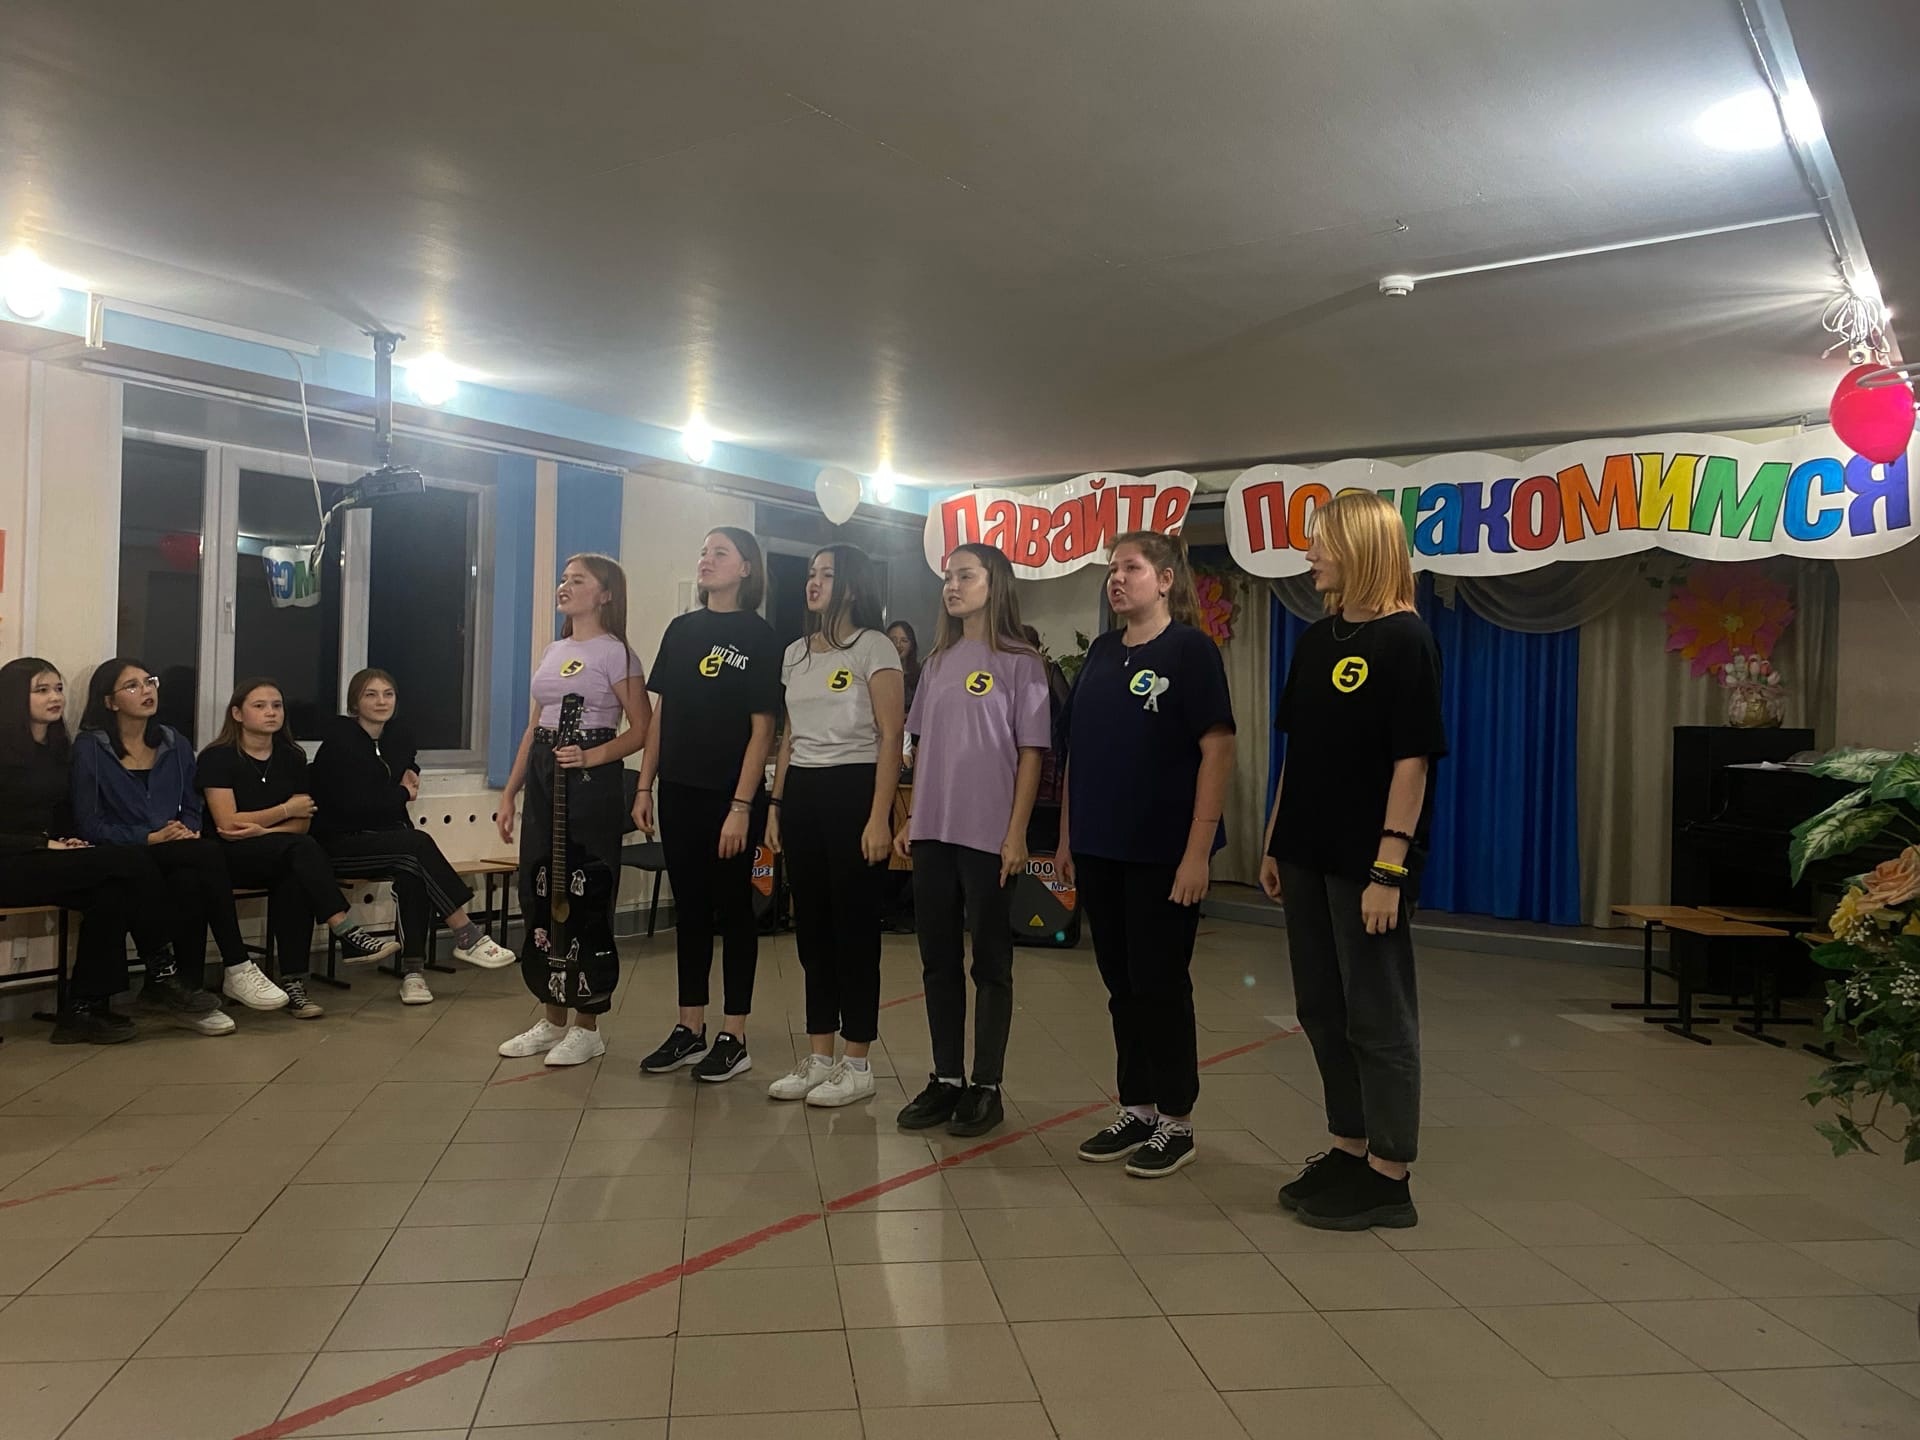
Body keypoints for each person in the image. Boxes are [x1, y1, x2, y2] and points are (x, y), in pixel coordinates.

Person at [1260, 489, 1445, 1231]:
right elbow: (1297, 752)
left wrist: (1387, 869)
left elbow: (1412, 762)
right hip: (1305, 850)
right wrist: (1276, 840)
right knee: (1322, 1008)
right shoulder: (1315, 640)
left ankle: (1390, 1174)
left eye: (1322, 542)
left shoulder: (1407, 640)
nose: (1310, 555)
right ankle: (1349, 1146)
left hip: (1368, 861)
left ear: (1363, 547)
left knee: (1377, 1012)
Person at [1060, 531, 1234, 1178]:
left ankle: (1176, 1120)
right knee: (1121, 986)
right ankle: (1136, 1107)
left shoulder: (1190, 651)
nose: (1116, 578)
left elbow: (1217, 749)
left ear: (1164, 579)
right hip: (1100, 847)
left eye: (1130, 567)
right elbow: (1078, 751)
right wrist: (1069, 837)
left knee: (1161, 985)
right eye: (1111, 569)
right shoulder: (1103, 652)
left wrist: (1198, 852)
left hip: (1163, 852)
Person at [892, 544, 1050, 1137]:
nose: (952, 586)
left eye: (965, 575)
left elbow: (1031, 754)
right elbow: (924, 748)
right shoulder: (936, 663)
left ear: (994, 584)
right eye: (947, 577)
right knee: (937, 960)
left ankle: (985, 1085)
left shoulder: (1022, 663)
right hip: (932, 833)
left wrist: (1017, 832)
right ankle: (946, 1078)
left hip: (988, 837)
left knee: (990, 963)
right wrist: (911, 817)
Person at [0, 658, 213, 1043]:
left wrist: (66, 839)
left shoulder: (55, 748)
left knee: (112, 892)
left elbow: (61, 812)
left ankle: (84, 1008)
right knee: (128, 860)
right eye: (42, 690)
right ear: (15, 698)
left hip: (44, 858)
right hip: (10, 862)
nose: (55, 697)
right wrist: (42, 843)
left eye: (58, 688)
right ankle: (161, 970)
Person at [632, 527, 779, 1082]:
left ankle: (733, 1035)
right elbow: (662, 714)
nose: (706, 559)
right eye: (703, 551)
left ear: (746, 568)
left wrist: (742, 804)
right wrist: (644, 784)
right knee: (689, 910)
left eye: (720, 552)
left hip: (729, 797)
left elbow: (762, 729)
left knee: (734, 911)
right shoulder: (682, 630)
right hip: (679, 790)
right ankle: (688, 1028)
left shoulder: (761, 636)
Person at [495, 554, 651, 1067]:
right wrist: (510, 793)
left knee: (584, 894)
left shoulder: (617, 654)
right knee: (540, 889)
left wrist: (591, 756)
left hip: (589, 779)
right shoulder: (554, 649)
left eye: (577, 580)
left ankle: (588, 1024)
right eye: (563, 579)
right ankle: (551, 1015)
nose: (564, 586)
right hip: (545, 773)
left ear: (605, 594)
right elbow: (534, 726)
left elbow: (642, 729)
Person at [72, 657, 283, 1032]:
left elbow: (192, 804)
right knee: (205, 857)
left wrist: (187, 829)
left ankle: (186, 991)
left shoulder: (174, 742)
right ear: (110, 701)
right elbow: (89, 823)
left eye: (149, 681)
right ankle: (236, 965)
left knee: (191, 876)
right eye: (133, 686)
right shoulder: (92, 747)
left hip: (173, 848)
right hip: (122, 851)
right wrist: (148, 837)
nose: (146, 691)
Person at [765, 544, 904, 1107]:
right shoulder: (795, 653)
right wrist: (776, 805)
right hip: (803, 792)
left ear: (850, 584)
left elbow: (891, 736)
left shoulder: (875, 647)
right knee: (813, 931)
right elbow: (789, 736)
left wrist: (878, 816)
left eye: (826, 573)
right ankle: (820, 1057)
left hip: (855, 789)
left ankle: (858, 1061)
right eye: (810, 573)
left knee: (854, 930)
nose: (813, 582)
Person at [310, 668, 518, 1006]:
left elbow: (402, 766)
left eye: (388, 694)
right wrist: (401, 794)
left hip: (387, 839)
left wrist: (411, 775)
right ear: (355, 703)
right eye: (370, 694)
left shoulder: (399, 736)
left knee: (413, 870)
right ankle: (466, 933)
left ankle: (413, 975)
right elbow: (352, 806)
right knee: (417, 845)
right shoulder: (339, 744)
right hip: (341, 842)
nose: (381, 701)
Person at [198, 678, 403, 1014]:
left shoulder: (291, 756)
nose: (271, 713)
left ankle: (294, 983)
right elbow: (228, 823)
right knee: (302, 852)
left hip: (278, 850)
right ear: (237, 713)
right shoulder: (217, 757)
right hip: (227, 856)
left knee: (297, 871)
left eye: (277, 706)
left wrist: (261, 829)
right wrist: (284, 811)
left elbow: (303, 823)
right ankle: (345, 929)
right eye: (260, 706)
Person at [887, 620, 922, 710]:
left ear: (911, 645)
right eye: (893, 640)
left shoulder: (921, 675)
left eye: (904, 640)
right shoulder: (879, 673)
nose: (898, 645)